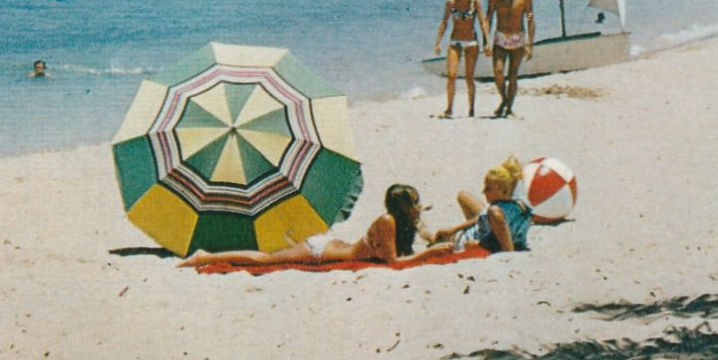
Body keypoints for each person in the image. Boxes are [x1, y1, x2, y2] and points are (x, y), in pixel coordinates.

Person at [180, 183, 426, 268]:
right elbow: (393, 262)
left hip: (331, 244)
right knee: (264, 260)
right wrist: (432, 253)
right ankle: (204, 257)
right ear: (403, 207)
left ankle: (206, 256)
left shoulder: (397, 223)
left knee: (268, 256)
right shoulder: (387, 221)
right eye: (415, 203)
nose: (419, 206)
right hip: (319, 253)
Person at [426, 156, 532, 253]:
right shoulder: (516, 204)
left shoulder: (495, 211)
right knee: (463, 195)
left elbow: (495, 237)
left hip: (467, 239)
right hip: (477, 229)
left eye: (488, 189)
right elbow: (485, 217)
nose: (483, 192)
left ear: (503, 190)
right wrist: (454, 229)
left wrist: (508, 253)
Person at [432, 0, 490, 118]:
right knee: (452, 75)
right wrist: (438, 43)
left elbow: (483, 22)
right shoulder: (451, 2)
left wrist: (487, 42)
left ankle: (471, 110)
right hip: (455, 41)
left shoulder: (475, 2)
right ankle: (449, 108)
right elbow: (444, 23)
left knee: (469, 77)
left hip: (471, 42)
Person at [486, 0, 535, 118]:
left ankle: (507, 107)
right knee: (498, 72)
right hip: (500, 39)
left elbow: (530, 19)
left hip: (518, 39)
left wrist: (530, 44)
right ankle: (506, 101)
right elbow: (488, 19)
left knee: (513, 75)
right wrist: (486, 41)